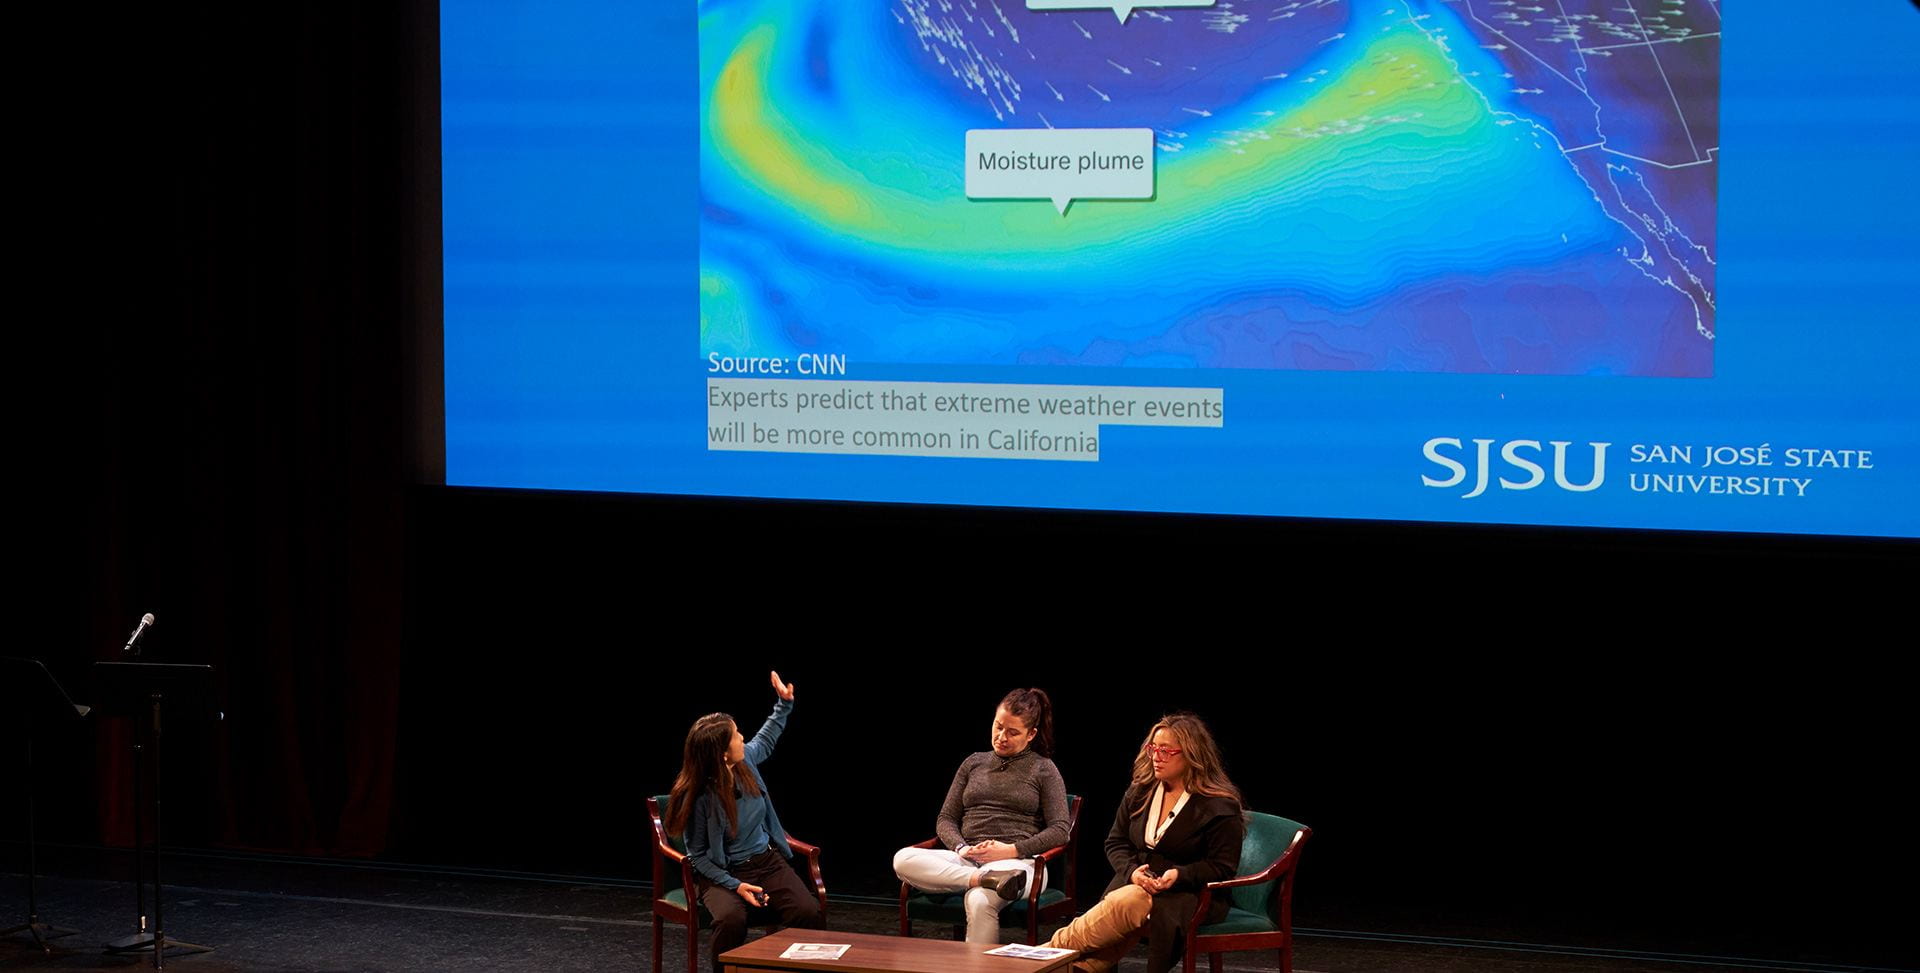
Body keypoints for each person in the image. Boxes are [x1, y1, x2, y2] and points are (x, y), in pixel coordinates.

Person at [1045, 713, 1245, 973]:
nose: (1156, 757)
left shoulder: (1219, 805)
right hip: (1138, 879)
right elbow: (1115, 842)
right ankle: (1059, 966)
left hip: (1191, 893)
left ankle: (1045, 953)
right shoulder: (1141, 791)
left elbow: (1223, 866)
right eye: (1153, 748)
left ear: (1191, 755)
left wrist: (1180, 874)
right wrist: (1131, 871)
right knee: (1124, 905)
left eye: (1166, 751)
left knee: (1129, 901)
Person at [665, 671, 823, 973]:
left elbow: (767, 736)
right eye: (737, 735)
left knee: (806, 911)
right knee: (730, 920)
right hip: (723, 872)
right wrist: (736, 886)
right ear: (723, 754)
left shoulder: (745, 760)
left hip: (766, 862)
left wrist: (783, 703)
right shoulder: (696, 796)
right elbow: (698, 857)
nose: (742, 738)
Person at [892, 688, 1071, 944]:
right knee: (903, 858)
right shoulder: (973, 763)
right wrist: (961, 847)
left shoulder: (1044, 769)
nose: (1001, 737)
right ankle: (981, 879)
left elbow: (1060, 829)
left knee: (978, 899)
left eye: (1013, 732)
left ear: (1031, 734)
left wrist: (1011, 850)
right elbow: (946, 818)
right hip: (968, 860)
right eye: (998, 726)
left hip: (1016, 867)